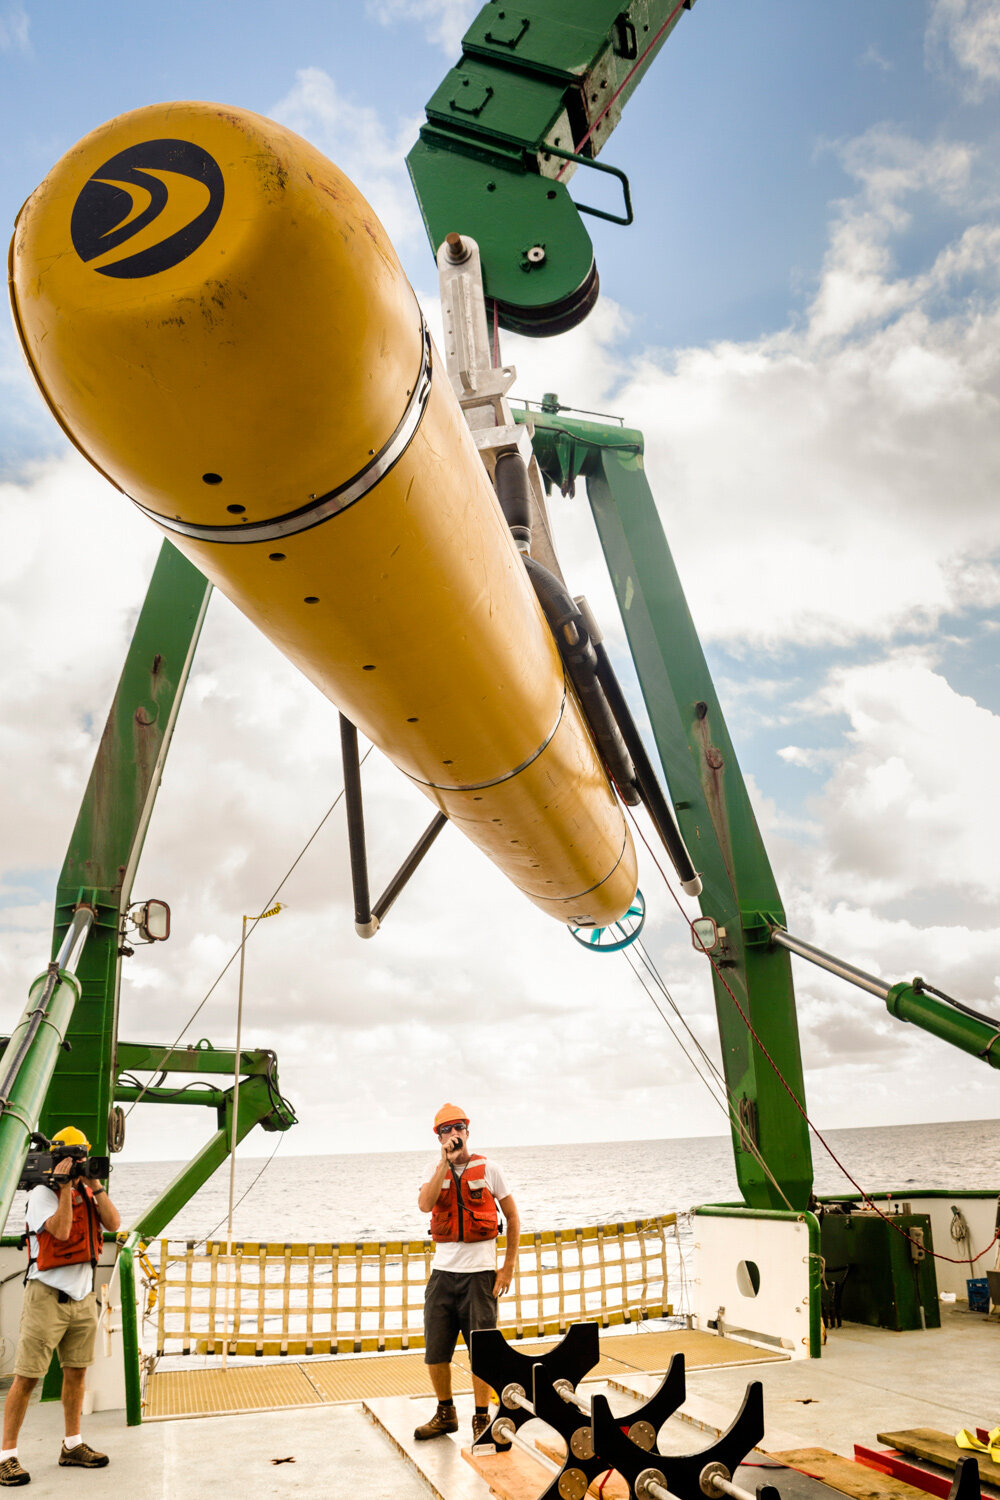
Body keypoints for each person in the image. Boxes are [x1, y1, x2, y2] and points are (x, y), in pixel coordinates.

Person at [1, 1127, 121, 1487]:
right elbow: (63, 1232)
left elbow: (114, 1224)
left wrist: (94, 1185)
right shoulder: (41, 1194)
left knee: (77, 1372)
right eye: (75, 1159)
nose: (79, 1164)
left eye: (83, 1158)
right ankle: (6, 1456)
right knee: (27, 1377)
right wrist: (65, 1187)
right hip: (47, 1297)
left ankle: (72, 1445)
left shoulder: (88, 1189)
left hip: (82, 1296)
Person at [414, 1104, 520, 1445]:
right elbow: (424, 1205)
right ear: (439, 1137)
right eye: (444, 1130)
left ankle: (481, 1418)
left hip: (479, 1277)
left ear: (467, 1131)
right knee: (435, 1350)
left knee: (483, 1352)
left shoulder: (490, 1168)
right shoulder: (435, 1170)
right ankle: (446, 1414)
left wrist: (507, 1268)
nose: (452, 1134)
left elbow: (514, 1219)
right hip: (442, 1277)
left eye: (457, 1128)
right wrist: (444, 1164)